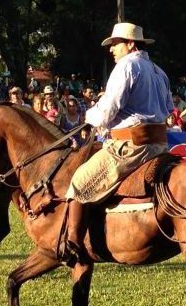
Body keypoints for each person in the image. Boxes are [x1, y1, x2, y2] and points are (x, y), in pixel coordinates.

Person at [59, 22, 172, 265]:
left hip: (131, 147)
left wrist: (89, 117)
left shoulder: (126, 66)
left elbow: (108, 110)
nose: (111, 49)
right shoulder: (158, 71)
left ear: (130, 44)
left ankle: (73, 245)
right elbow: (169, 108)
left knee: (79, 182)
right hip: (159, 146)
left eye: (115, 44)